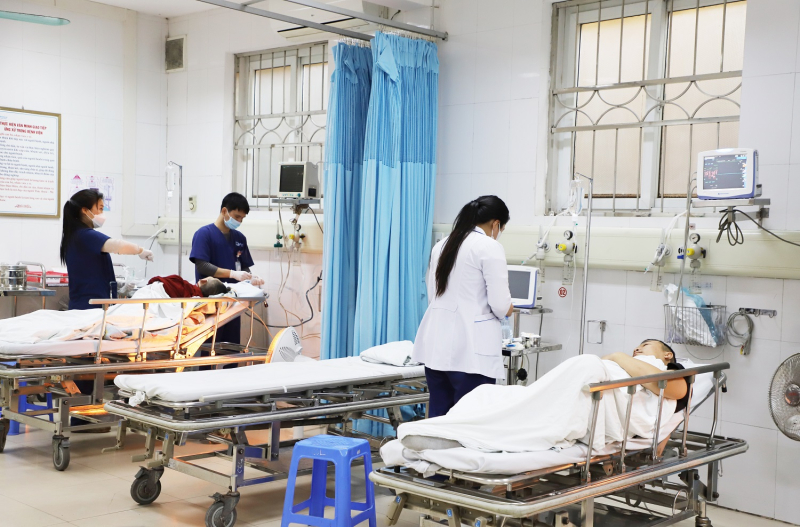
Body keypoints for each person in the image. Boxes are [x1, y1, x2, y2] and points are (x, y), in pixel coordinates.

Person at [412, 195, 514, 418]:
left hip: (436, 349)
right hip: (470, 353)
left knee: (439, 419)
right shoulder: (489, 247)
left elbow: (434, 294)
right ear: (496, 224)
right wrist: (508, 308)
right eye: (502, 228)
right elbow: (500, 305)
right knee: (469, 421)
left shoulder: (442, 244)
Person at [60, 189, 154, 311]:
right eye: (100, 209)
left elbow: (93, 276)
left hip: (87, 306)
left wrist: (120, 289)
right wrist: (140, 250)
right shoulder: (85, 235)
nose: (102, 213)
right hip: (89, 308)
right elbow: (118, 245)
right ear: (85, 210)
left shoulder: (75, 236)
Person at [189, 192, 263, 345]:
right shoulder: (204, 234)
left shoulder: (239, 238)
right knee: (210, 346)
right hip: (210, 303)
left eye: (242, 218)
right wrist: (232, 274)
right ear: (224, 211)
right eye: (237, 217)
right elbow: (202, 265)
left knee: (231, 346)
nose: (239, 221)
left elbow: (244, 266)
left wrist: (251, 278)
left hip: (232, 302)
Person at [604, 339, 689, 413]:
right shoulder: (623, 362)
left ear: (668, 355)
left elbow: (678, 390)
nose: (636, 349)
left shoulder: (672, 370)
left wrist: (617, 356)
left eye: (645, 345)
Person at [147, 275, 231, 298]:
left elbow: (155, 281)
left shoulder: (179, 282)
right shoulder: (197, 299)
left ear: (203, 281)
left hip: (150, 294)